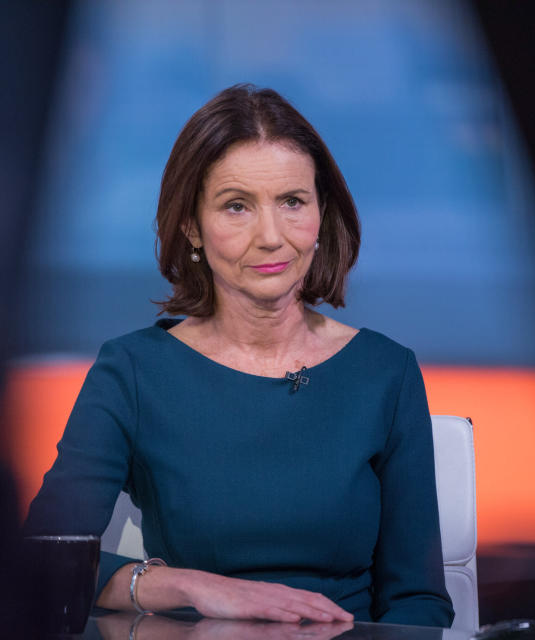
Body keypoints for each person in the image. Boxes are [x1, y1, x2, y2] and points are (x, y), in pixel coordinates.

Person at [23, 84, 455, 628]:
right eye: (236, 206)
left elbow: (418, 602)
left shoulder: (385, 373)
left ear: (322, 215)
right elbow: (43, 561)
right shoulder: (133, 371)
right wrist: (188, 586)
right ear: (191, 226)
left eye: (292, 202)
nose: (271, 237)